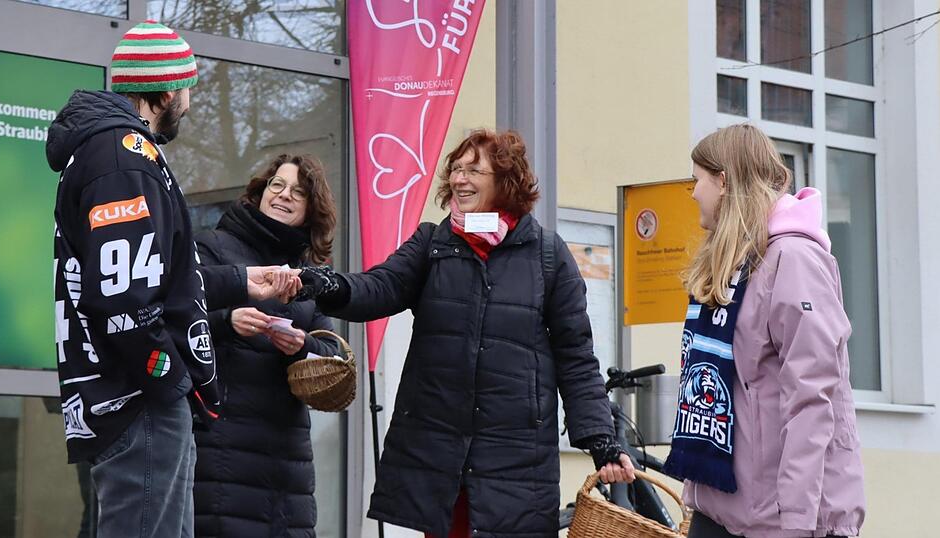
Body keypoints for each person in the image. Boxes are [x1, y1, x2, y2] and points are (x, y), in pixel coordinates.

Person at [298, 129, 635, 537]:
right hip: (440, 462)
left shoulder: (548, 255)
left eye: (474, 170)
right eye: (456, 169)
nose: (459, 179)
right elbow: (380, 287)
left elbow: (576, 357)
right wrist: (329, 285)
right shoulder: (432, 243)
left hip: (515, 465)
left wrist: (600, 440)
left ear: (506, 181)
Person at [47, 20, 297, 538]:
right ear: (163, 90)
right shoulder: (123, 156)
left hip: (137, 398)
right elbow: (122, 297)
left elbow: (157, 274)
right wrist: (168, 377)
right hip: (140, 401)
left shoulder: (116, 153)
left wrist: (241, 281)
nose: (188, 102)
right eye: (185, 88)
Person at [662, 124, 865, 538]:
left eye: (697, 180)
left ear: (723, 181)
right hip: (721, 508)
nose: (693, 193)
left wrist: (796, 524)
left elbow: (811, 400)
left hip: (782, 520)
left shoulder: (794, 259)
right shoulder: (732, 264)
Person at [192, 155, 341, 537]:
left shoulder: (305, 275)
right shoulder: (211, 247)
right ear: (260, 192)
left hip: (285, 464)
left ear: (310, 210)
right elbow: (174, 321)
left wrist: (300, 344)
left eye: (298, 192)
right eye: (277, 185)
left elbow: (334, 359)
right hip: (219, 449)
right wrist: (227, 322)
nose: (284, 195)